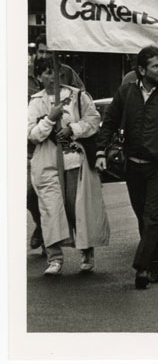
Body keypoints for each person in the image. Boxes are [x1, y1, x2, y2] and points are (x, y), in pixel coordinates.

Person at [96, 46, 158, 289]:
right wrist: (100, 151)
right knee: (143, 216)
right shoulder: (126, 92)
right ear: (141, 70)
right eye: (156, 66)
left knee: (154, 215)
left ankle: (143, 267)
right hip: (134, 165)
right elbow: (109, 122)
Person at [28, 58, 109, 276]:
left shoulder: (78, 96)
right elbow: (32, 135)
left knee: (78, 209)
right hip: (48, 164)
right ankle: (55, 258)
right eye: (46, 73)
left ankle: (86, 252)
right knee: (51, 210)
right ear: (38, 77)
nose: (52, 77)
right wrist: (50, 120)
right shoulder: (35, 102)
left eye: (55, 72)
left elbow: (93, 121)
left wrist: (72, 129)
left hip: (74, 161)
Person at [27, 36, 86, 253]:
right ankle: (44, 228)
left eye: (48, 52)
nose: (45, 56)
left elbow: (81, 101)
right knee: (30, 194)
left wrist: (74, 126)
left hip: (61, 149)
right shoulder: (23, 75)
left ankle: (60, 239)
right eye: (41, 52)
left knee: (70, 204)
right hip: (29, 149)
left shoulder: (67, 73)